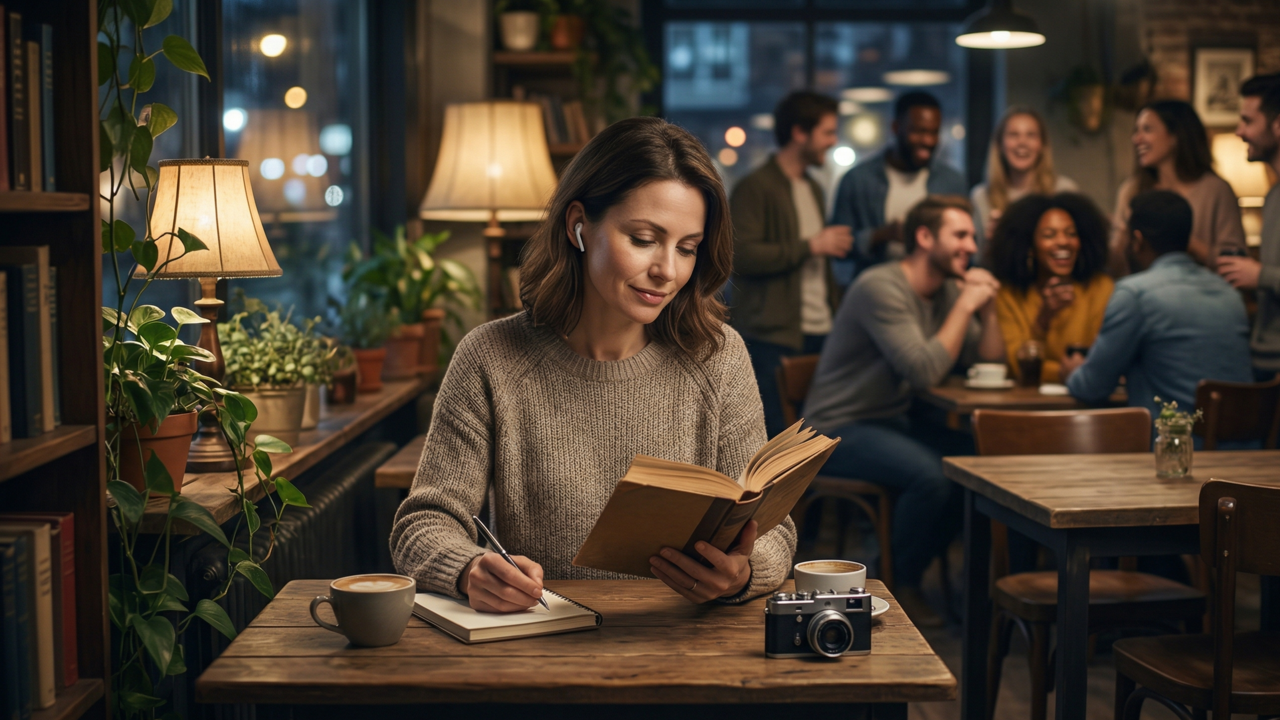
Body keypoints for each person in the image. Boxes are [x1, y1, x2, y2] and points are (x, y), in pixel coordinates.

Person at [391, 117, 796, 612]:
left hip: (682, 647)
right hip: (538, 648)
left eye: (687, 248)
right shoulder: (490, 357)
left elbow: (774, 532)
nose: (668, 271)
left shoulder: (717, 356)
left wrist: (742, 574)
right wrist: (468, 569)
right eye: (644, 239)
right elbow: (423, 522)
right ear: (578, 224)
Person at [804, 195, 1005, 626]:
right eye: (961, 235)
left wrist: (986, 313)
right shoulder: (882, 287)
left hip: (891, 420)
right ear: (924, 237)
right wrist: (966, 305)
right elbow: (924, 370)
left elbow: (987, 363)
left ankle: (916, 573)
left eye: (973, 236)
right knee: (931, 475)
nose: (972, 246)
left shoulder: (948, 288)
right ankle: (895, 582)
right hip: (836, 427)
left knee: (977, 465)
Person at [1063, 190, 1252, 421]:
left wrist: (1072, 371)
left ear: (1138, 241)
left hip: (1176, 446)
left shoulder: (1135, 295)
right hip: (1243, 447)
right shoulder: (1229, 294)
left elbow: (1091, 386)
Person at [730, 91, 851, 437]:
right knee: (776, 439)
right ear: (800, 132)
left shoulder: (812, 186)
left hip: (819, 331)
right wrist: (812, 245)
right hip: (773, 335)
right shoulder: (755, 187)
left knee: (814, 436)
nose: (833, 140)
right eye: (827, 132)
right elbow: (740, 256)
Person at [830, 91, 967, 284]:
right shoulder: (857, 179)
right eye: (918, 131)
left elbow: (966, 245)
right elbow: (837, 248)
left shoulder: (951, 182)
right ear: (896, 128)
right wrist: (882, 235)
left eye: (933, 132)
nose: (927, 140)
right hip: (875, 290)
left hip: (937, 291)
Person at [986, 193, 1113, 385]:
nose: (1063, 242)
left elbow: (1105, 361)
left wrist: (1075, 372)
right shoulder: (1009, 294)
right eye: (1049, 235)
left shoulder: (1100, 288)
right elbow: (1016, 365)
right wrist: (1042, 321)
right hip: (1028, 407)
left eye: (1071, 234)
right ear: (1030, 247)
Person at [1109, 100, 1245, 273]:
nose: (1136, 139)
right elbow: (1116, 266)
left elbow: (1236, 262)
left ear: (1175, 136)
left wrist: (1184, 242)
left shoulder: (1216, 190)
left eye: (1147, 129)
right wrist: (1122, 238)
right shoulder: (1131, 190)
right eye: (1136, 131)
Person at [1220, 73, 1280, 382]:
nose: (1239, 131)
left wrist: (1260, 276)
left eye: (1248, 121)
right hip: (1264, 363)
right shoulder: (1273, 196)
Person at [970, 107, 1078, 253]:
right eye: (1013, 135)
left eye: (1031, 135)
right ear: (1000, 145)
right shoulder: (981, 196)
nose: (1022, 142)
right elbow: (979, 261)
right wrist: (992, 241)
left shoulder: (1064, 191)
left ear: (1042, 145)